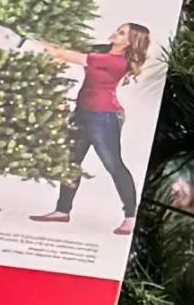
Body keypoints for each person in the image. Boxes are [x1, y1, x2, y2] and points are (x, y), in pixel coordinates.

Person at [46, 17, 152, 221]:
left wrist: (43, 43)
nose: (116, 33)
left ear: (130, 42)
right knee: (71, 161)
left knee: (113, 164)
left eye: (122, 33)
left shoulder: (117, 61)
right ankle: (62, 211)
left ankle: (131, 217)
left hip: (104, 117)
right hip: (82, 112)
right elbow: (73, 47)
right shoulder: (102, 50)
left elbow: (68, 54)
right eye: (118, 29)